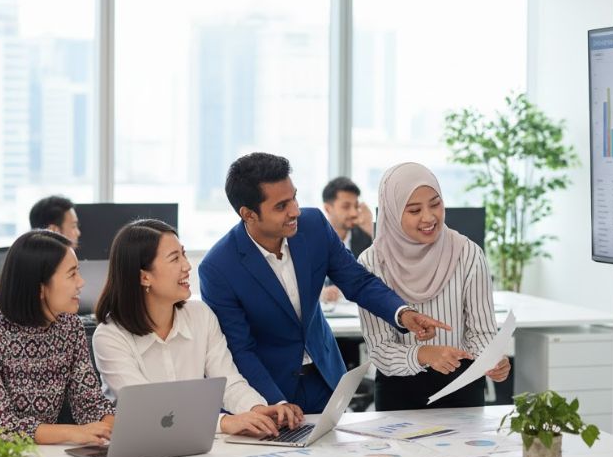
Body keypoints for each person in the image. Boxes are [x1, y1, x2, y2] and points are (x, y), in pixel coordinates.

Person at [199, 152, 448, 414]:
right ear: (248, 214)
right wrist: (275, 404)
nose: (295, 210)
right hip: (269, 392)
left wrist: (403, 313)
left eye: (293, 197)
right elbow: (240, 350)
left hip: (326, 380)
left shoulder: (314, 226)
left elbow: (357, 281)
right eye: (281, 206)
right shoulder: (218, 268)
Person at [92, 219, 302, 437]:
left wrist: (257, 410)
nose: (187, 265)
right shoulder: (110, 336)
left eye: (183, 254)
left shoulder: (201, 315)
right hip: (140, 447)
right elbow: (151, 411)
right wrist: (224, 423)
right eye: (175, 259)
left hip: (192, 446)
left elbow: (228, 382)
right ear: (145, 277)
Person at [357, 162, 511, 411]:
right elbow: (380, 348)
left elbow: (481, 332)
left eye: (435, 204)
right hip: (399, 392)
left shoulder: (467, 253)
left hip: (462, 388)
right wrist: (424, 354)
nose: (429, 217)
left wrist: (492, 360)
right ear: (393, 213)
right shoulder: (372, 263)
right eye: (414, 210)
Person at [0, 230, 115, 443]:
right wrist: (73, 432)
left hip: (43, 453)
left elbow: (89, 403)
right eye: (72, 274)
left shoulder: (70, 328)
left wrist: (121, 431)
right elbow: (0, 426)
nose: (81, 282)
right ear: (39, 287)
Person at [320, 176, 373, 304]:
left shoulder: (365, 237)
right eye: (346, 207)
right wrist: (320, 293)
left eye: (356, 206)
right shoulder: (315, 239)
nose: (354, 213)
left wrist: (371, 229)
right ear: (328, 208)